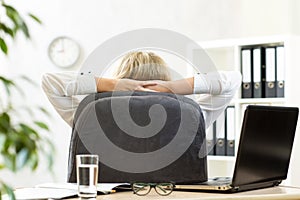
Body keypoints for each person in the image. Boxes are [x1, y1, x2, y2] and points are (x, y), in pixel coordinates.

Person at [42, 51, 241, 129]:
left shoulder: (91, 117)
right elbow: (233, 80)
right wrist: (174, 88)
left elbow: (50, 82)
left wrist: (112, 85)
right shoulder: (191, 116)